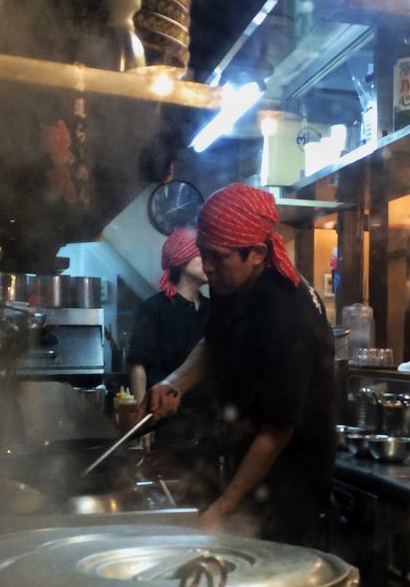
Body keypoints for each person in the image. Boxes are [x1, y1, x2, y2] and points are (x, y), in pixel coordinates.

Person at [141, 183, 335, 546]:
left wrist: (221, 509)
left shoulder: (287, 318)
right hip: (241, 453)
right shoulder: (232, 282)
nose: (208, 268)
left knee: (272, 584)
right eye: (203, 254)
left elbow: (276, 432)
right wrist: (175, 382)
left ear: (257, 253)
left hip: (288, 480)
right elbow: (215, 341)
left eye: (218, 257)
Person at [127, 228, 212, 457]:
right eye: (201, 255)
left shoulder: (212, 309)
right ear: (182, 261)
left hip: (206, 421)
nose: (209, 262)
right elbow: (138, 366)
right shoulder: (154, 308)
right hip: (165, 420)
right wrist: (142, 422)